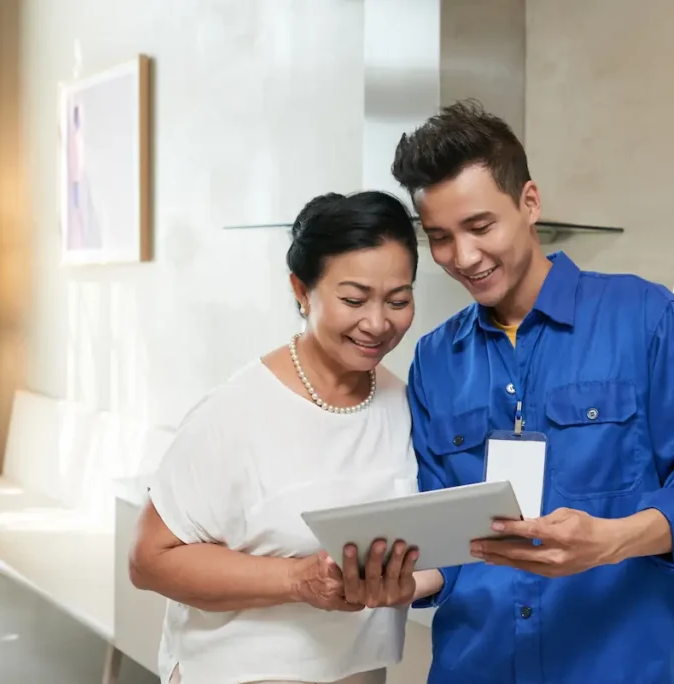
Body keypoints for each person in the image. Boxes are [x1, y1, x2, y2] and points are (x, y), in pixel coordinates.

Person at [386, 100, 674, 683]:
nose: (462, 258)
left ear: (530, 202)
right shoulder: (434, 359)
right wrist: (401, 580)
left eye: (481, 227)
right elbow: (447, 541)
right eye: (440, 237)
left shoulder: (650, 318)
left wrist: (612, 540)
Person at [128, 190, 443, 684]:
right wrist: (298, 581)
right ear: (301, 290)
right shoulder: (234, 414)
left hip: (360, 672)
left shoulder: (404, 406)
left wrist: (409, 581)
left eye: (398, 300)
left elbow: (422, 545)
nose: (378, 322)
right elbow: (149, 561)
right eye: (353, 299)